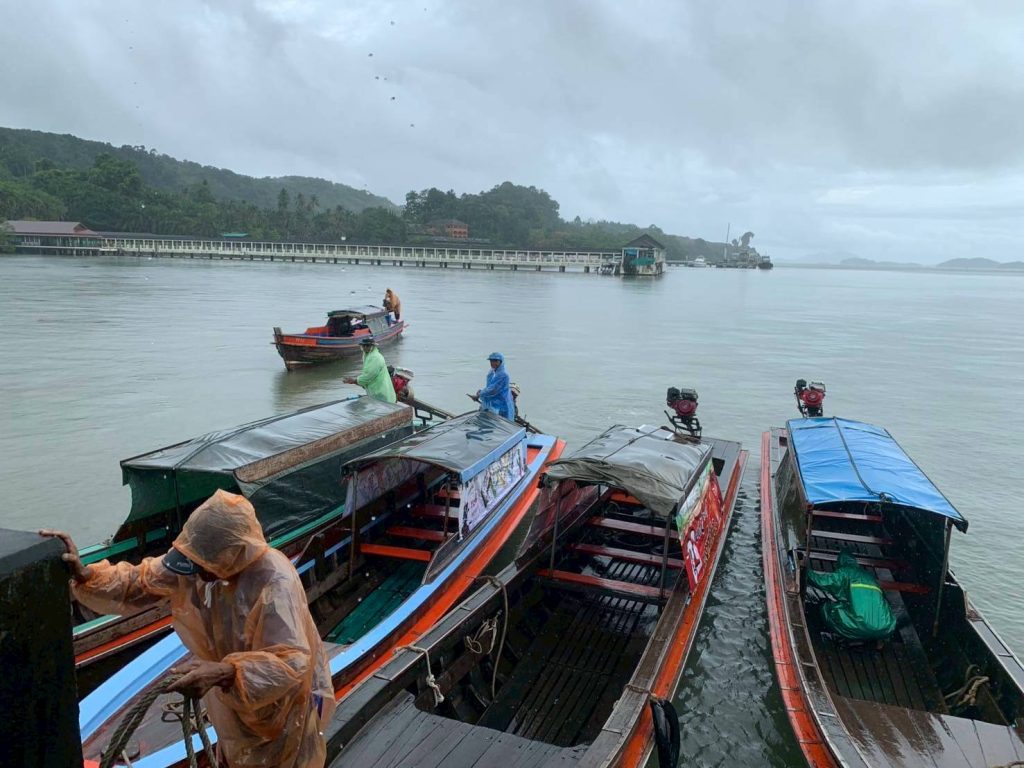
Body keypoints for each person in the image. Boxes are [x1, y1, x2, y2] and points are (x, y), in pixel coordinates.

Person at [40, 490, 335, 768]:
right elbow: (140, 581)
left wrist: (226, 672)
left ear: (231, 556)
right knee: (234, 755)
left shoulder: (275, 582)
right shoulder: (198, 563)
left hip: (282, 710)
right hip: (232, 701)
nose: (197, 574)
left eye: (204, 567)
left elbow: (291, 662)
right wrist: (88, 575)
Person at [805, 549, 897, 643]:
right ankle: (877, 640)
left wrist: (805, 571)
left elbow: (822, 581)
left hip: (858, 625)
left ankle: (845, 637)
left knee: (826, 608)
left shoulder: (845, 572)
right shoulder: (871, 578)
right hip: (886, 628)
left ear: (841, 563)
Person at [344, 337, 396, 403]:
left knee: (382, 406)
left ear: (372, 346)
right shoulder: (367, 355)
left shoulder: (375, 357)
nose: (365, 347)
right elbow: (367, 375)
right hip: (375, 390)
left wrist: (354, 381)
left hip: (380, 391)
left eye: (367, 345)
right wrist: (356, 381)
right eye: (363, 345)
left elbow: (368, 376)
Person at [469, 352, 515, 420]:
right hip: (494, 405)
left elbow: (493, 390)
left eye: (495, 361)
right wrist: (481, 392)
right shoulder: (492, 373)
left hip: (502, 405)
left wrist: (480, 394)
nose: (493, 363)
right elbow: (489, 387)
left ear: (501, 362)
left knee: (503, 423)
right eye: (491, 361)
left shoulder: (503, 375)